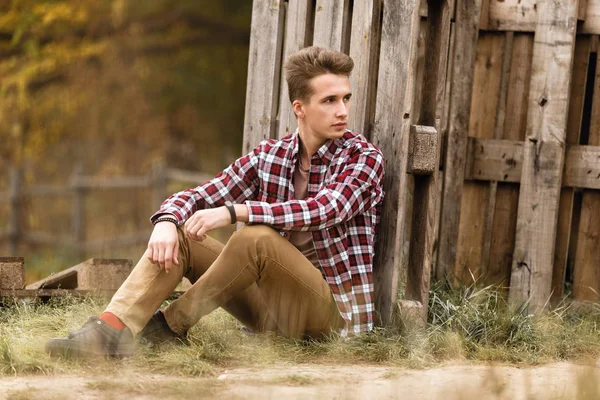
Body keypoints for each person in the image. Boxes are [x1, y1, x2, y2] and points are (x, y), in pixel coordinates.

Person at [45, 46, 385, 359]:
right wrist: (166, 220)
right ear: (300, 108)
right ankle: (110, 331)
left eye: (346, 98)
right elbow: (203, 194)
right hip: (268, 315)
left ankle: (169, 326)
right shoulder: (270, 155)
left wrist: (234, 212)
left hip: (328, 319)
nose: (342, 111)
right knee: (183, 236)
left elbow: (324, 209)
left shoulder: (363, 158)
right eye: (329, 101)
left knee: (256, 238)